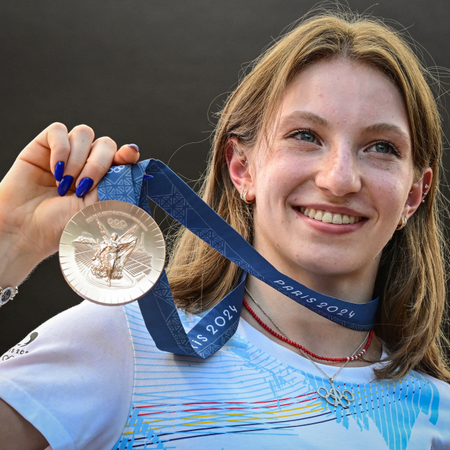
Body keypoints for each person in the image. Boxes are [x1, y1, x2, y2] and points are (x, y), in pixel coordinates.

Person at [1, 9, 450, 450]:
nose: (338, 179)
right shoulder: (124, 344)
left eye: (381, 147)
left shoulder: (441, 415)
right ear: (242, 168)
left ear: (414, 194)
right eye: (306, 136)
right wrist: (9, 245)